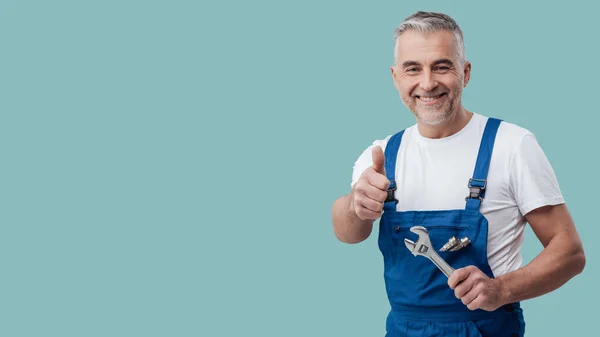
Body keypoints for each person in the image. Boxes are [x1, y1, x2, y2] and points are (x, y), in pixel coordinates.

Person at [331, 11, 586, 337]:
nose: (427, 83)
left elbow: (569, 251)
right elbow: (347, 232)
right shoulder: (381, 155)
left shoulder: (511, 145)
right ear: (396, 78)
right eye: (413, 69)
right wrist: (355, 205)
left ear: (465, 73)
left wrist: (501, 289)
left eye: (441, 66)